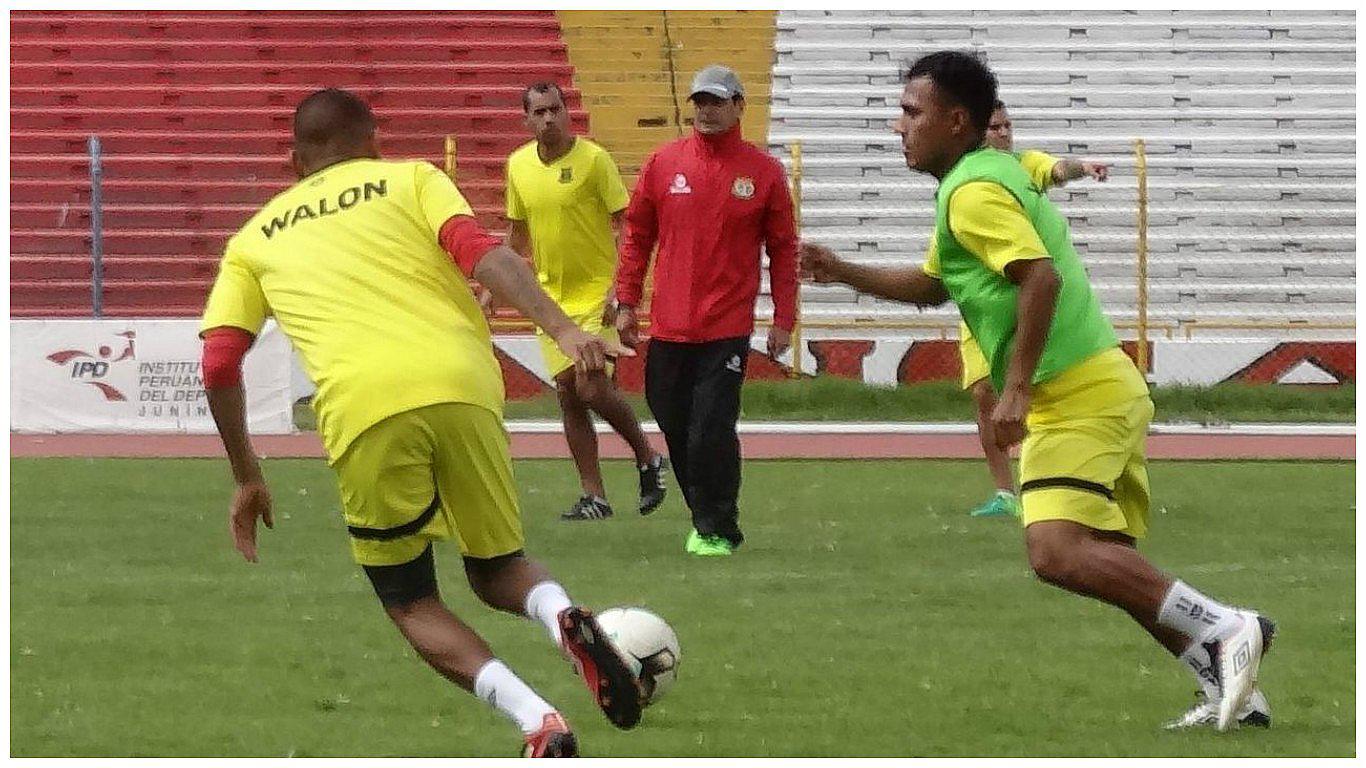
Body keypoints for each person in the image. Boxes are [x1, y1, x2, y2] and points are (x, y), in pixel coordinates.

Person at [800, 52, 1274, 731]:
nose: (898, 126)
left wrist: (1015, 388)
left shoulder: (972, 191)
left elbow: (1040, 277)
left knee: (1055, 552)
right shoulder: (981, 178)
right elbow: (933, 285)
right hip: (1092, 384)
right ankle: (1231, 687)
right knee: (1105, 559)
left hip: (1075, 390)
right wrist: (842, 270)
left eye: (911, 112)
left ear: (954, 121)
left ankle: (1225, 627)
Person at [200, 88, 645, 757]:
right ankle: (561, 615)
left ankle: (538, 721)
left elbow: (218, 362)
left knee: (410, 600)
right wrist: (562, 329)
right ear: (375, 144)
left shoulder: (253, 239)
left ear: (294, 163)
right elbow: (485, 254)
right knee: (499, 567)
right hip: (464, 384)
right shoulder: (412, 179)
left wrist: (247, 475)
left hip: (365, 406)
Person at [614, 64, 799, 557]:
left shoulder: (763, 172)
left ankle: (717, 526)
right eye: (700, 102)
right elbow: (637, 236)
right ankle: (706, 512)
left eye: (717, 101)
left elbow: (783, 249)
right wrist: (626, 302)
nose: (707, 111)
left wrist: (784, 317)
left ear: (739, 106)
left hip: (726, 327)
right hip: (669, 325)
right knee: (671, 416)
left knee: (711, 428)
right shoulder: (663, 163)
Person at [490, 81, 667, 522]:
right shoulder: (518, 166)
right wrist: (495, 282)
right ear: (526, 120)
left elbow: (628, 225)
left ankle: (647, 456)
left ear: (567, 113)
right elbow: (517, 232)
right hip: (550, 301)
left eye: (555, 109)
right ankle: (595, 496)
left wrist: (620, 289)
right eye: (539, 112)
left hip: (595, 295)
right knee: (569, 395)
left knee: (590, 386)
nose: (549, 118)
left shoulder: (594, 160)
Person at [963, 99, 1111, 519]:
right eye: (995, 127)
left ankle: (1059, 480)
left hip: (1023, 298)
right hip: (982, 305)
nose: (1004, 134)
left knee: (1041, 392)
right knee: (983, 394)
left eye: (1007, 126)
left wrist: (1084, 167)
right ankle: (1004, 492)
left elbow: (1057, 169)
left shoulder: (1023, 165)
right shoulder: (965, 180)